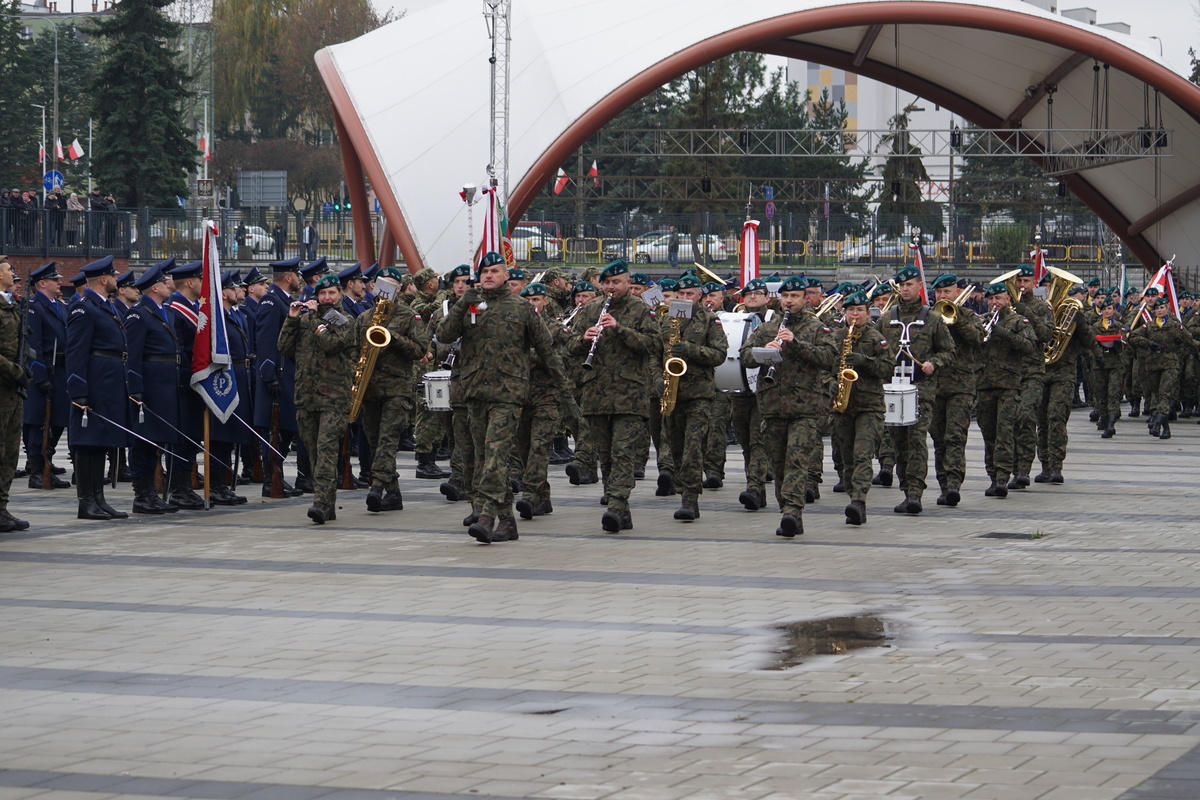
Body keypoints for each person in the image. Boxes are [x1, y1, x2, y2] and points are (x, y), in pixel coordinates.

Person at [439, 251, 571, 544]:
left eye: (495, 271)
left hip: (509, 395)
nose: (489, 276)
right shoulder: (470, 306)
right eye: (484, 272)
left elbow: (547, 350)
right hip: (475, 393)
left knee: (496, 457)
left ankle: (487, 516)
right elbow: (444, 335)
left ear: (505, 276)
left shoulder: (522, 308)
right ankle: (508, 521)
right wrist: (463, 304)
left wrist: (565, 391)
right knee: (485, 458)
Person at [741, 276, 837, 537]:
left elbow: (828, 357)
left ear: (805, 298)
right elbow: (745, 356)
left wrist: (795, 344)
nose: (789, 301)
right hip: (772, 407)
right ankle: (789, 511)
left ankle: (792, 512)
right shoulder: (767, 327)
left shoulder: (816, 327)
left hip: (804, 408)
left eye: (794, 297)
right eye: (785, 297)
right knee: (780, 463)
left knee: (796, 461)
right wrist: (763, 350)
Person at [566, 260, 656, 532]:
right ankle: (618, 507)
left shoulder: (642, 309)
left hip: (629, 396)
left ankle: (616, 504)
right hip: (597, 394)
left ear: (628, 283)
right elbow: (568, 346)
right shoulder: (591, 309)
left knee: (623, 452)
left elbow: (652, 344)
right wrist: (583, 339)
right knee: (604, 454)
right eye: (606, 283)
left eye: (616, 282)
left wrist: (620, 329)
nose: (610, 287)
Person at [279, 273, 360, 523]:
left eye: (331, 293)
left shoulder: (344, 320)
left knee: (326, 450)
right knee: (313, 451)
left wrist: (314, 319)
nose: (326, 298)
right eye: (322, 294)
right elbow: (284, 347)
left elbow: (330, 344)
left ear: (339, 295)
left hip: (333, 398)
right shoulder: (305, 320)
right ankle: (327, 501)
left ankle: (321, 503)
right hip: (307, 396)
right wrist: (292, 319)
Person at [881, 265, 954, 515]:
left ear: (919, 286)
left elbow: (949, 350)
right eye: (901, 285)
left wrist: (935, 363)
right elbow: (874, 346)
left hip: (921, 389)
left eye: (910, 284)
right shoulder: (887, 317)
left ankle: (915, 493)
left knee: (916, 439)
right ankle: (905, 489)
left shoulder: (932, 318)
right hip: (893, 390)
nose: (905, 289)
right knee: (898, 442)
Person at [357, 267, 429, 512]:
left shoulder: (409, 316)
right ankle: (394, 493)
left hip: (397, 388)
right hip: (370, 389)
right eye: (380, 285)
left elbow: (420, 350)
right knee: (376, 442)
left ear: (398, 289)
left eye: (390, 285)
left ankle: (376, 487)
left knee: (388, 441)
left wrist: (393, 337)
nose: (384, 290)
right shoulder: (365, 317)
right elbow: (353, 352)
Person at [657, 274, 727, 522]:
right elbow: (653, 355)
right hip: (672, 392)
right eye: (682, 294)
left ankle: (690, 498)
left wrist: (689, 350)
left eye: (691, 294)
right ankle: (682, 488)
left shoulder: (710, 320)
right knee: (675, 447)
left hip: (699, 394)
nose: (685, 298)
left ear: (700, 295)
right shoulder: (666, 320)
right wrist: (657, 379)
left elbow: (719, 354)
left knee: (693, 447)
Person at [65, 255, 130, 521]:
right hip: (93, 383)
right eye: (114, 276)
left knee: (101, 442)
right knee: (88, 443)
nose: (117, 280)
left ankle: (99, 499)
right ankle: (86, 501)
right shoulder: (84, 308)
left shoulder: (107, 306)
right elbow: (76, 352)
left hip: (108, 384)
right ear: (104, 279)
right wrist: (78, 390)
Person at [124, 259, 183, 515]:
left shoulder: (166, 311)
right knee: (143, 443)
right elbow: (132, 354)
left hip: (166, 386)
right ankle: (142, 494)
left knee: (157, 442)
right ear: (154, 288)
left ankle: (153, 493)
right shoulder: (139, 313)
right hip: (149, 386)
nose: (168, 283)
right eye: (163, 281)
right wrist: (135, 388)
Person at [829, 291, 892, 525]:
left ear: (868, 312)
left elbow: (888, 368)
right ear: (844, 312)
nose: (855, 315)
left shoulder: (877, 338)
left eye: (860, 311)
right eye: (850, 310)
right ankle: (852, 495)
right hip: (842, 405)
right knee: (847, 459)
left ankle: (858, 501)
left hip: (869, 405)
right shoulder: (834, 337)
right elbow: (822, 368)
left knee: (862, 454)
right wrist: (831, 384)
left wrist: (866, 362)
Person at [976, 282, 1039, 496]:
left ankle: (1003, 478)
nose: (994, 303)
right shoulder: (982, 321)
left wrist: (1004, 333)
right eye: (991, 299)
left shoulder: (1018, 321)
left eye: (999, 298)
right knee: (988, 433)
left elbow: (1030, 345)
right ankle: (993, 477)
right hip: (984, 385)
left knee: (1005, 432)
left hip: (1009, 386)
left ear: (1007, 300)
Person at [928, 274, 983, 507]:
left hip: (961, 386)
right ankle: (943, 485)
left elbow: (979, 339)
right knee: (938, 438)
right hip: (935, 386)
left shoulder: (969, 316)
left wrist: (957, 319)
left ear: (957, 293)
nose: (942, 296)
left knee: (955, 436)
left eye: (947, 292)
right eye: (939, 293)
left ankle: (953, 484)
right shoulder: (927, 317)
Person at [253, 257, 305, 498]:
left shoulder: (286, 301)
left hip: (289, 373)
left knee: (285, 429)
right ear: (288, 277)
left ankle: (278, 476)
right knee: (275, 431)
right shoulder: (272, 302)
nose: (298, 278)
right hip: (278, 374)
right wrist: (268, 374)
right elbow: (265, 341)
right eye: (296, 274)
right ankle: (270, 478)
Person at [514, 282, 563, 520]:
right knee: (523, 449)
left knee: (539, 447)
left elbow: (556, 358)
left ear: (545, 301)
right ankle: (543, 498)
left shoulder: (555, 328)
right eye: (529, 301)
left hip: (547, 396)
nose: (533, 304)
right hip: (521, 396)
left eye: (537, 300)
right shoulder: (516, 328)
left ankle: (530, 494)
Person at [163, 261, 208, 511]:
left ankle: (185, 486)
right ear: (189, 283)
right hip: (182, 383)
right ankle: (178, 488)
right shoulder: (174, 309)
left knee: (192, 437)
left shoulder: (194, 307)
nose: (204, 284)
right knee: (181, 438)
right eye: (200, 279)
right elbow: (178, 347)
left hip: (196, 382)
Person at [23, 262, 70, 489]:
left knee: (57, 421)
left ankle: (47, 465)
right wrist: (40, 377)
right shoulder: (34, 307)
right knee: (39, 423)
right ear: (42, 283)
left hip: (61, 371)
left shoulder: (60, 306)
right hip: (45, 371)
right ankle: (36, 470)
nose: (60, 282)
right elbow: (33, 346)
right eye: (55, 279)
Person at [1009, 265, 1053, 489]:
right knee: (1009, 423)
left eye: (1026, 281)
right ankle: (1010, 469)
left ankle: (1023, 469)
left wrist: (1025, 312)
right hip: (1008, 374)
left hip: (1033, 373)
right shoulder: (1005, 306)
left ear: (1034, 283)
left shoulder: (1042, 307)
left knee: (1026, 417)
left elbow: (1046, 335)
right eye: (1018, 281)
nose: (1021, 285)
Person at [730, 278, 773, 511]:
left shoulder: (774, 320)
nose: (753, 297)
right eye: (748, 294)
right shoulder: (734, 318)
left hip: (764, 390)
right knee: (745, 441)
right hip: (739, 389)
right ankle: (757, 486)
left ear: (767, 297)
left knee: (758, 440)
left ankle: (754, 488)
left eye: (758, 293)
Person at [1130, 296, 1195, 439]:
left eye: (1162, 308)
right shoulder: (1149, 326)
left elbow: (1190, 341)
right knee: (1158, 396)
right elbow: (1132, 336)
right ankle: (1166, 429)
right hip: (1153, 365)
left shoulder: (1174, 326)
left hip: (1170, 364)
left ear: (1167, 309)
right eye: (1157, 309)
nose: (1159, 310)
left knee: (1165, 394)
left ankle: (1158, 424)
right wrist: (1149, 344)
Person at [0, 256, 29, 533]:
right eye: (9, 270)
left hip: (12, 390)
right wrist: (15, 370)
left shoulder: (12, 306)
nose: (13, 273)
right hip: (3, 385)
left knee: (10, 452)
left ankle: (2, 507)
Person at [1091, 299, 1126, 438]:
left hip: (1115, 363)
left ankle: (1111, 423)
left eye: (1110, 308)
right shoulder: (1095, 326)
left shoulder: (1119, 326)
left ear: (1113, 310)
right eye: (1104, 309)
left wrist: (1119, 343)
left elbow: (1125, 345)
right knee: (1100, 393)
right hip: (1099, 364)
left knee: (1113, 392)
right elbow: (1090, 344)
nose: (1107, 311)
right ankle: (1104, 419)